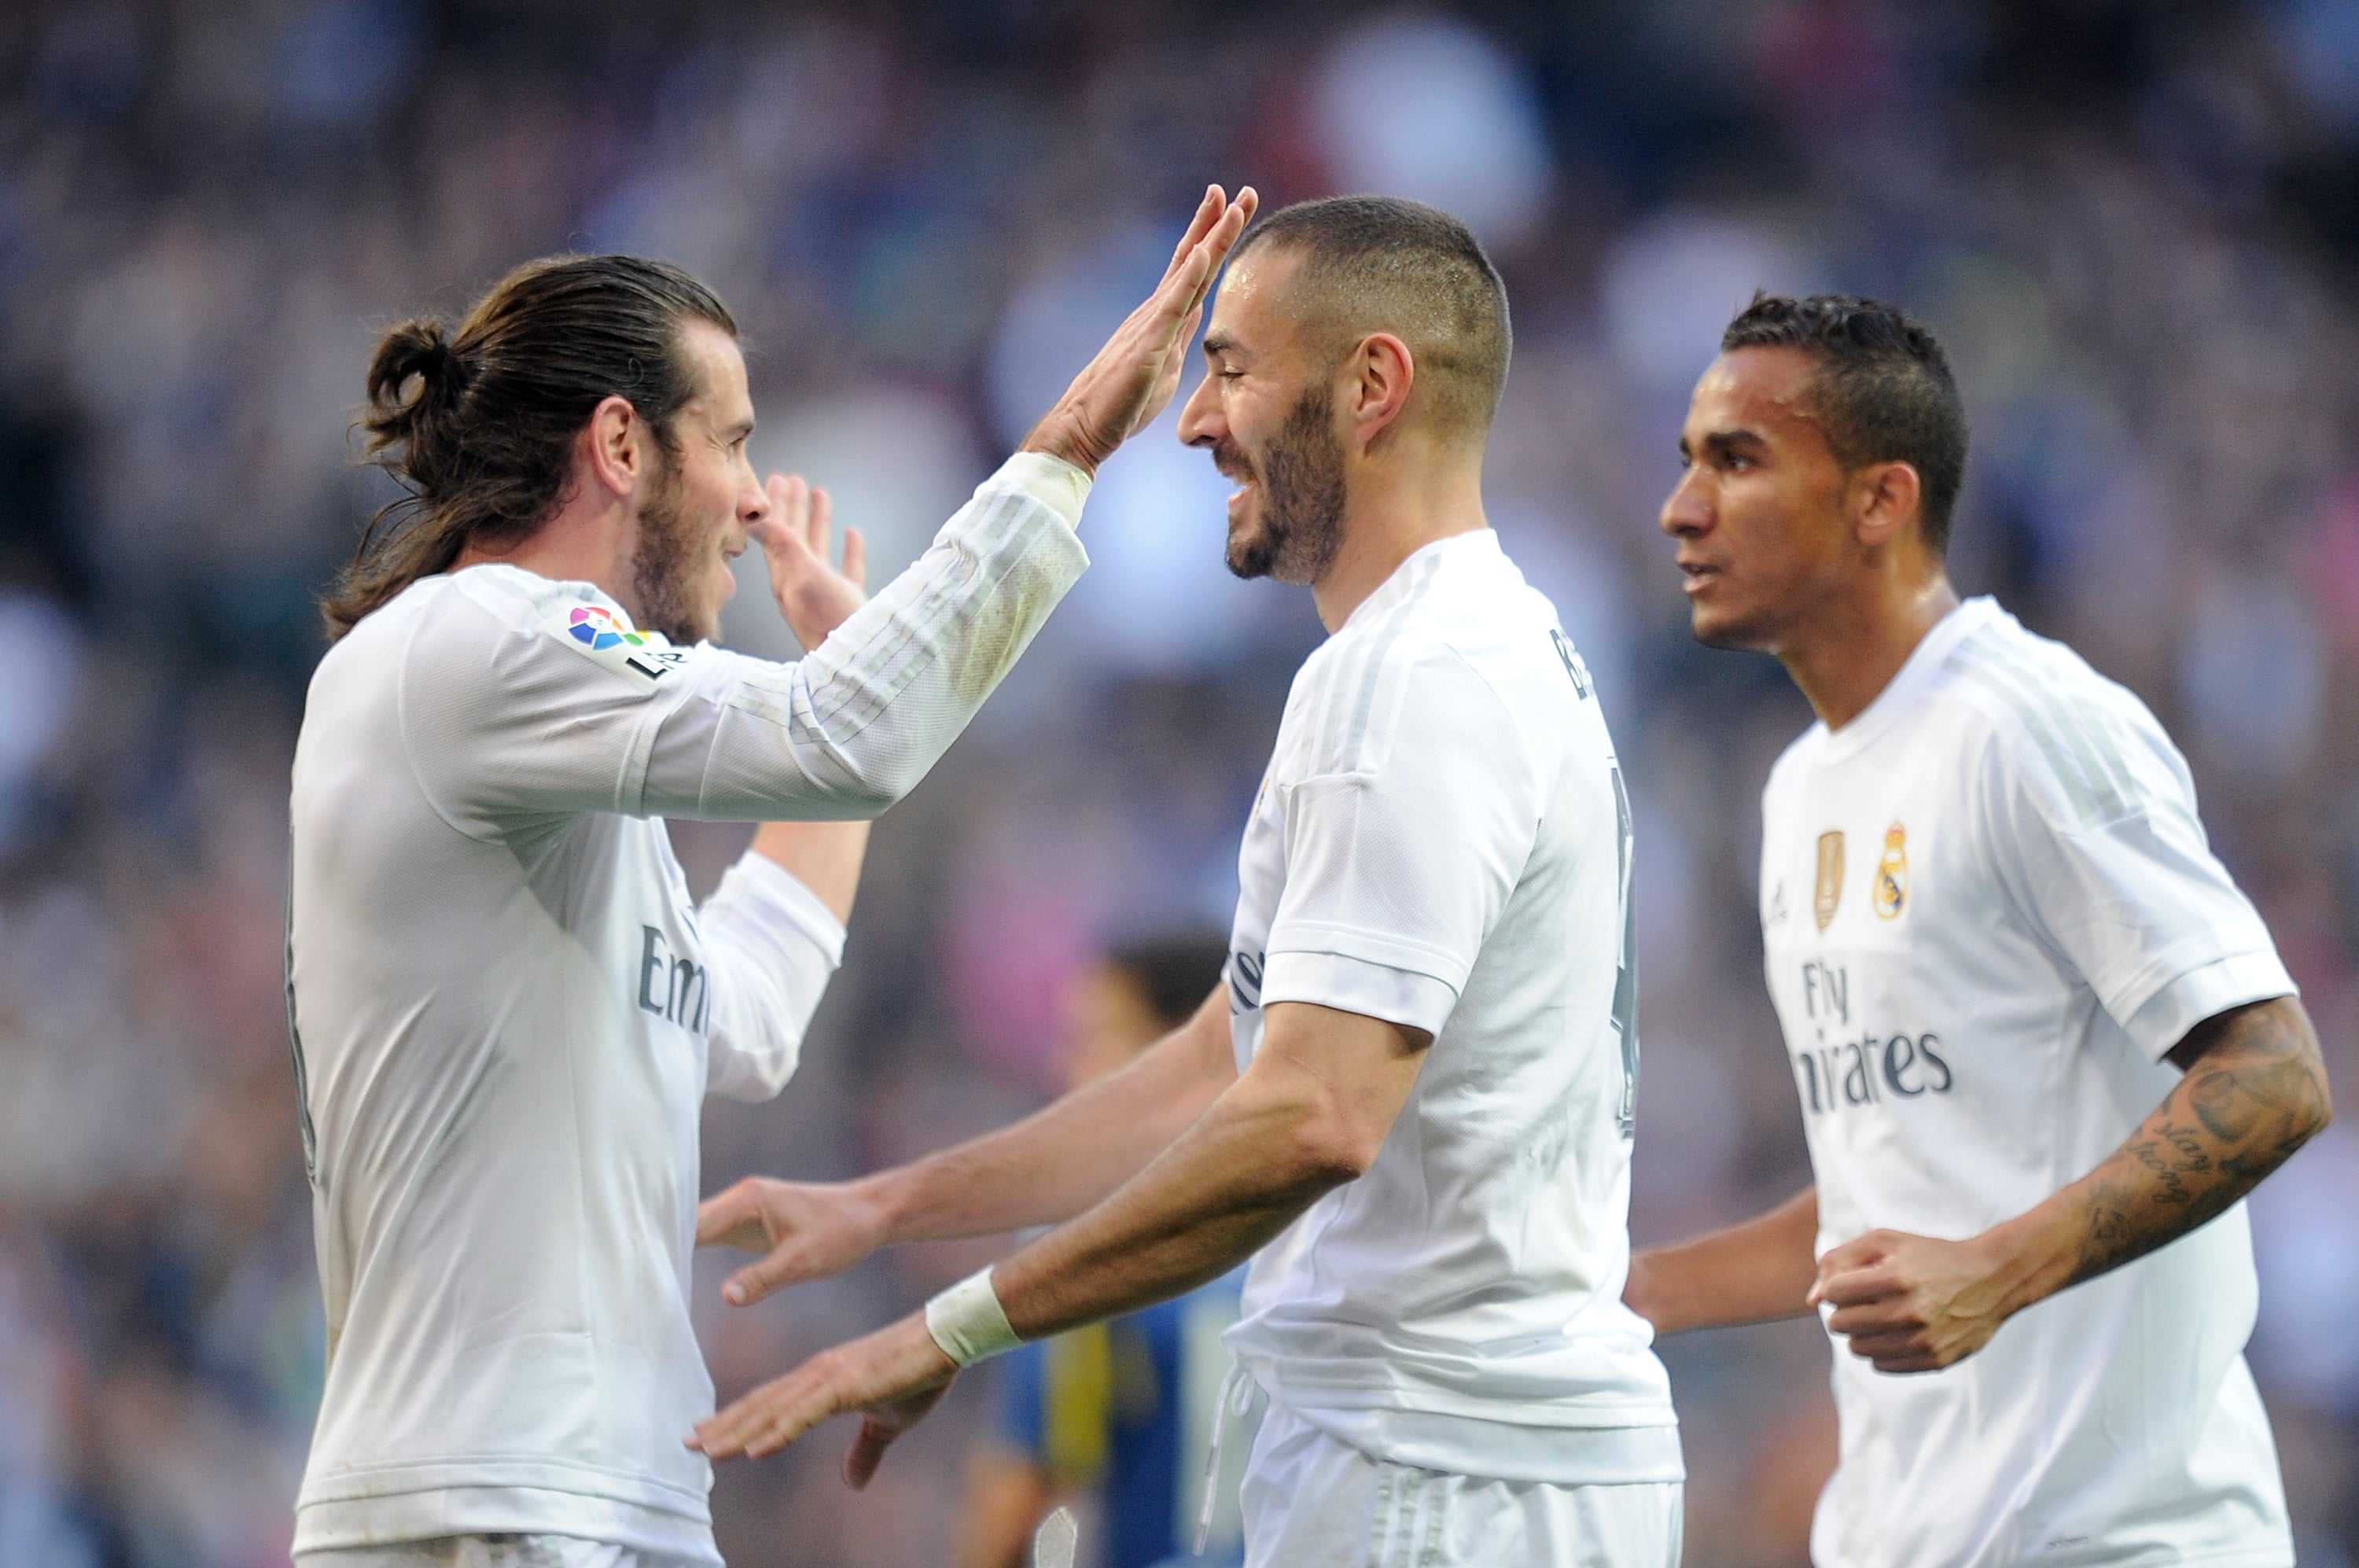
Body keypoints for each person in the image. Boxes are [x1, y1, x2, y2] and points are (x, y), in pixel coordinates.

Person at [689, 197, 1684, 1568]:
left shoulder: (1416, 679)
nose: (1195, 420)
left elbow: (1313, 1114)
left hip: (1446, 1478)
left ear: (1373, 384)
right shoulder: (1462, 647)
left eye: (1232, 367)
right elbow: (1232, 1057)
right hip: (1457, 1467)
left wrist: (951, 1325)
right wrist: (889, 1205)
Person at [285, 185, 1256, 1568]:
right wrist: (1072, 442)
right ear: (621, 442)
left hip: (583, 1492)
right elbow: (843, 739)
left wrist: (834, 696)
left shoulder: (528, 745)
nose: (752, 497)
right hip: (492, 1494)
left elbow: (740, 1010)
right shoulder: (478, 637)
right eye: (732, 441)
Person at [1631, 293, 2333, 1566]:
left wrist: (2002, 1269)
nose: (1682, 507)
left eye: (1736, 460)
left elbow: (2277, 1072)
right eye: (1688, 461)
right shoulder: (1797, 790)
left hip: (2119, 1538)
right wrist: (1636, 1293)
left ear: (1880, 500)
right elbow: (1896, 1181)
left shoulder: (2029, 726)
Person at [955, 930, 1247, 1568]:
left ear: (1186, 1050)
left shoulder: (1087, 1250)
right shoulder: (1322, 1221)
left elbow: (1020, 1507)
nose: (1064, 1070)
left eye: (1094, 1038)